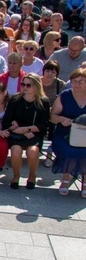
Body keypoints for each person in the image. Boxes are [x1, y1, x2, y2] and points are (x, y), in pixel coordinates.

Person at [2, 73, 50, 189]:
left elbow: (44, 125)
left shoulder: (43, 102)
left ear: (36, 86)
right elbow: (6, 120)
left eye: (28, 85)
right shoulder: (15, 99)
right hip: (17, 133)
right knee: (16, 151)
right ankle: (16, 176)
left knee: (32, 152)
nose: (24, 87)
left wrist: (27, 129)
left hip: (33, 133)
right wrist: (14, 125)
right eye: (23, 84)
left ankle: (32, 176)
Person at [50, 68, 86, 197]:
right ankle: (65, 178)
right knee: (68, 150)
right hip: (64, 134)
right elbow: (52, 116)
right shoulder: (65, 96)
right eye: (74, 81)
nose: (77, 84)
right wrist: (61, 119)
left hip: (85, 136)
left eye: (81, 81)